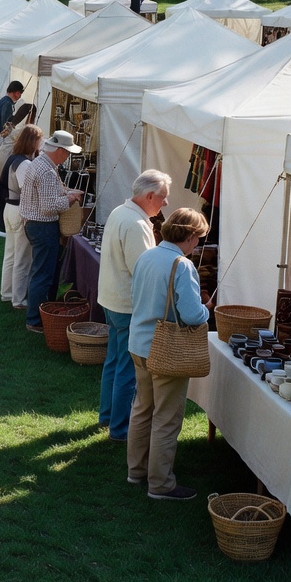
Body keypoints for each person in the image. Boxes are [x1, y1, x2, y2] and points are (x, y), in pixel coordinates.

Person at [127, 207, 210, 500]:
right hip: (165, 350)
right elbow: (191, 315)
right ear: (188, 235)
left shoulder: (146, 255)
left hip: (138, 344)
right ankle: (160, 484)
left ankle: (136, 471)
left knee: (142, 410)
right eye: (199, 237)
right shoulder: (181, 265)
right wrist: (205, 310)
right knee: (166, 418)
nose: (198, 243)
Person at [97, 170, 172, 443]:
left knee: (114, 361)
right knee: (127, 370)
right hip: (126, 305)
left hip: (111, 299)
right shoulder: (136, 224)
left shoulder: (121, 211)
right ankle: (119, 429)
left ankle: (107, 416)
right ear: (149, 196)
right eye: (162, 198)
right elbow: (144, 270)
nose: (165, 203)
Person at [20, 130, 83, 332]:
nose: (67, 157)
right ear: (59, 151)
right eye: (66, 152)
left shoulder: (40, 163)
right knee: (43, 275)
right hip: (43, 225)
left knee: (40, 272)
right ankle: (35, 320)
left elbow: (49, 194)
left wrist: (66, 192)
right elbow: (49, 206)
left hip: (34, 223)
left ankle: (38, 311)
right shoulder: (46, 170)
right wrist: (71, 198)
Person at [0, 125, 43, 310]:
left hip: (10, 208)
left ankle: (7, 293)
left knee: (10, 254)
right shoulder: (24, 163)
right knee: (22, 258)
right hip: (18, 211)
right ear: (33, 142)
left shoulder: (14, 158)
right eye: (39, 140)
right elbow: (28, 191)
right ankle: (17, 299)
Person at [0, 80, 24, 150]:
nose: (20, 95)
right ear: (16, 92)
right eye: (20, 93)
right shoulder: (8, 103)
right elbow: (4, 124)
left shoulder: (4, 100)